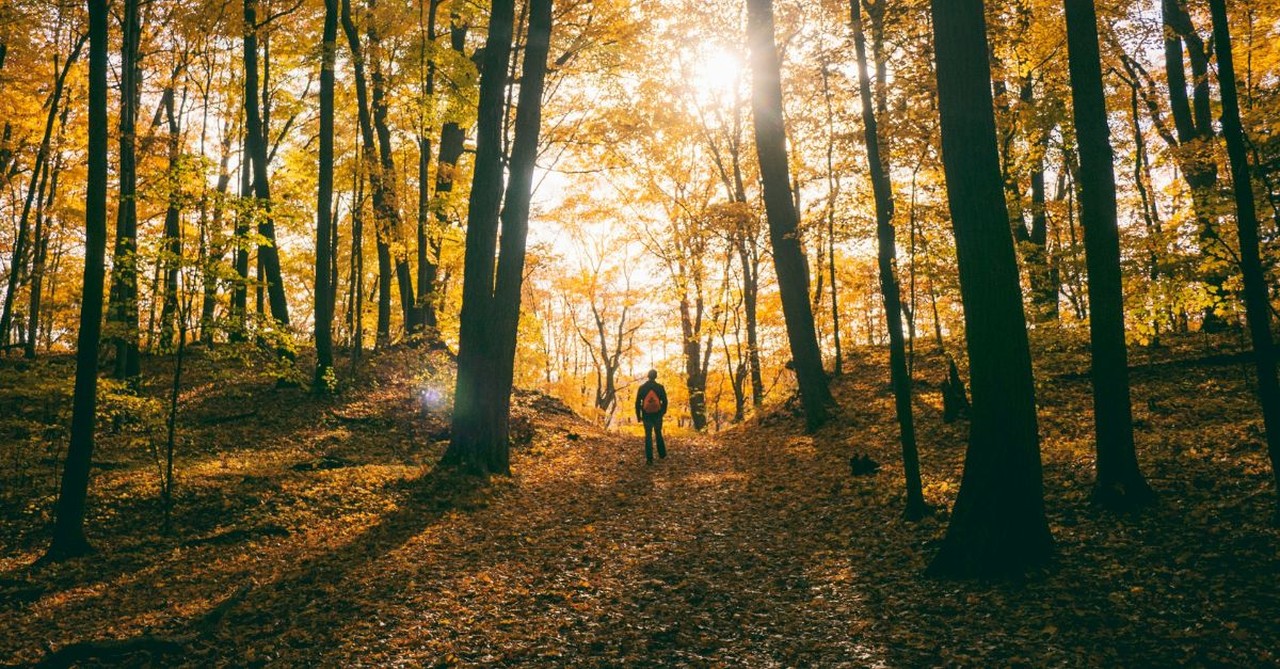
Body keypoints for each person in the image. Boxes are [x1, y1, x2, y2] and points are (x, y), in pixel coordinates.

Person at [634, 369, 668, 464]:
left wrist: (638, 415)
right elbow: (665, 401)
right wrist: (662, 412)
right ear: (655, 376)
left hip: (646, 414)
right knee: (658, 433)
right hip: (657, 414)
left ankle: (649, 459)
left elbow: (637, 403)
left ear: (648, 376)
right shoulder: (660, 387)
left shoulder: (642, 387)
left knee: (648, 435)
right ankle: (662, 454)